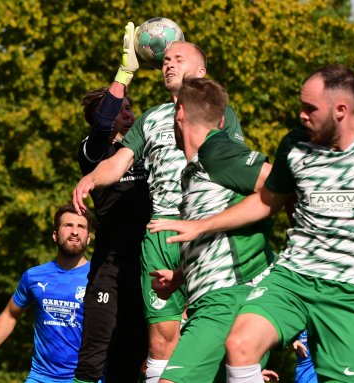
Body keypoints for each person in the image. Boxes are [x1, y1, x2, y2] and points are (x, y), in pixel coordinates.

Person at [147, 64, 354, 382]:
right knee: (240, 343)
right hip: (292, 280)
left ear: (341, 110)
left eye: (310, 108)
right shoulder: (295, 145)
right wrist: (200, 228)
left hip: (348, 291)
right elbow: (267, 201)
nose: (301, 114)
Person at [72, 23, 244, 383]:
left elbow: (238, 168)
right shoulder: (150, 118)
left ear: (200, 71)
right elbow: (116, 162)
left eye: (178, 59)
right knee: (159, 341)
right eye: (165, 59)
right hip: (159, 234)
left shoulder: (222, 114)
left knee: (218, 335)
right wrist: (91, 178)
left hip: (205, 230)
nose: (168, 64)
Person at [149, 77, 275, 383]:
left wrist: (200, 225)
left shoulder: (217, 151)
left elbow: (278, 185)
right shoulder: (199, 166)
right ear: (221, 118)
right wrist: (180, 276)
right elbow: (224, 232)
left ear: (178, 112)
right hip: (215, 300)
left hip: (228, 301)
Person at [73, 86, 151, 383]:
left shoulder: (143, 153)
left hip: (147, 262)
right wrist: (124, 75)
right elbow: (103, 123)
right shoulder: (94, 150)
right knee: (94, 356)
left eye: (131, 108)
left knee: (133, 359)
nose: (129, 114)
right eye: (121, 109)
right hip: (110, 264)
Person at [0, 203, 92, 383]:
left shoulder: (100, 279)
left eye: (81, 227)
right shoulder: (34, 276)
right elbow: (10, 314)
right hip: (41, 377)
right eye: (68, 225)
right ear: (55, 236)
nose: (74, 231)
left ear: (88, 238)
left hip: (85, 378)